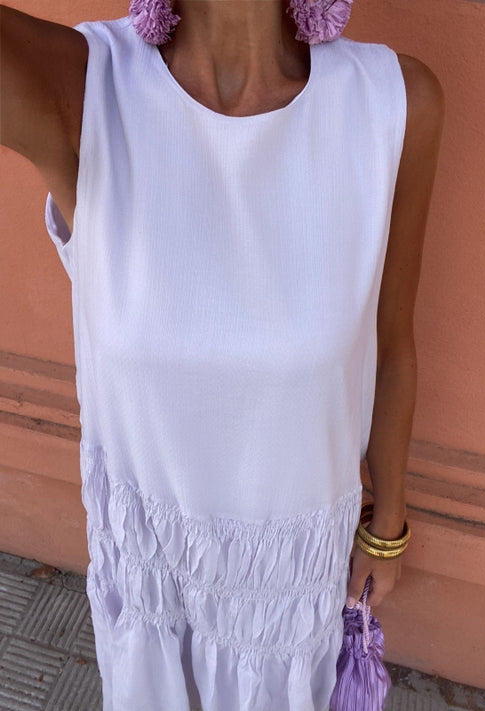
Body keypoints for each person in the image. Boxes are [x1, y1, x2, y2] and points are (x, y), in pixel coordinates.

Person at [0, 0, 444, 709]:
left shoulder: (392, 103)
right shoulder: (85, 89)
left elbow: (392, 344)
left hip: (288, 609)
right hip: (151, 606)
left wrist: (385, 528)